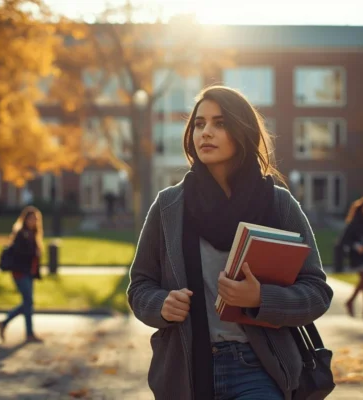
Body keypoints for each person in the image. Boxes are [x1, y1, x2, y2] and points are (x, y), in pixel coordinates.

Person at [127, 86, 333, 400]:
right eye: (199, 124)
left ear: (242, 130)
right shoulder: (169, 207)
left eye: (220, 123)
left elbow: (317, 292)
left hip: (259, 370)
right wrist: (161, 305)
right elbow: (140, 285)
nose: (205, 132)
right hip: (187, 374)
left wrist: (261, 298)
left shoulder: (278, 204)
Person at [0, 206, 43, 343]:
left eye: (35, 219)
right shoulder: (21, 234)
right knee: (28, 302)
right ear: (25, 219)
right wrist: (33, 253)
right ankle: (26, 332)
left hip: (29, 273)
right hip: (20, 273)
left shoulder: (33, 234)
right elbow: (20, 254)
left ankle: (7, 324)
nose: (33, 221)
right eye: (30, 218)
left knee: (28, 303)